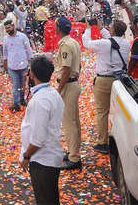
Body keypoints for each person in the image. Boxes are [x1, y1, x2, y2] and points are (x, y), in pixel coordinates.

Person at [19, 56, 65, 205]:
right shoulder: (51, 93)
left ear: (32, 74)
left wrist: (26, 156)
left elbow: (38, 139)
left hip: (42, 160)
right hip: (49, 156)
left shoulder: (41, 101)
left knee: (45, 199)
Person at [82, 19, 130, 155]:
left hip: (104, 80)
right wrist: (101, 28)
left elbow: (87, 43)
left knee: (102, 112)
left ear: (113, 30)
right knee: (119, 111)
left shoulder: (104, 44)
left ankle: (103, 142)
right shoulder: (125, 43)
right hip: (119, 81)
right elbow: (111, 41)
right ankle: (122, 139)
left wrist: (88, 28)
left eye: (110, 27)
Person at [53, 16, 82, 171]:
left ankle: (74, 158)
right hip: (73, 83)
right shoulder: (74, 42)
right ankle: (73, 151)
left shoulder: (66, 45)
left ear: (59, 28)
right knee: (74, 121)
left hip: (68, 85)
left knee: (69, 123)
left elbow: (65, 69)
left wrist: (59, 89)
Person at [2, 20, 33, 111]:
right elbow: (5, 53)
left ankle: (22, 100)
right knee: (15, 86)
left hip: (23, 66)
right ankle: (16, 104)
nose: (7, 30)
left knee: (22, 84)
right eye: (6, 28)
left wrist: (30, 63)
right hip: (12, 67)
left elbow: (28, 49)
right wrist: (5, 66)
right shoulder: (6, 39)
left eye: (9, 27)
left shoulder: (22, 37)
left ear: (13, 26)